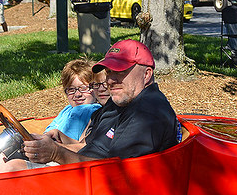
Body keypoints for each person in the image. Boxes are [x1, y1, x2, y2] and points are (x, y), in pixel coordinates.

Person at [23, 39, 177, 167]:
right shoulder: (119, 103)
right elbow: (91, 147)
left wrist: (56, 153)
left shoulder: (148, 113)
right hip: (83, 176)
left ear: (147, 74)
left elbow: (114, 172)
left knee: (14, 167)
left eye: (120, 71)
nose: (110, 80)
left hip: (91, 186)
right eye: (109, 72)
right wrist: (57, 141)